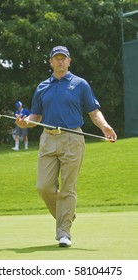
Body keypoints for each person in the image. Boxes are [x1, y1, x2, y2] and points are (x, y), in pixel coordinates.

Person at [16, 46, 117, 247]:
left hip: (72, 138)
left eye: (64, 58)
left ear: (69, 61)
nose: (60, 61)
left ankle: (64, 232)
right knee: (43, 187)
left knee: (68, 187)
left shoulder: (80, 84)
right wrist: (26, 122)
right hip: (48, 139)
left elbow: (93, 111)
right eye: (57, 58)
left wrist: (104, 126)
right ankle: (67, 215)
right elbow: (36, 116)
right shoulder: (42, 87)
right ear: (50, 62)